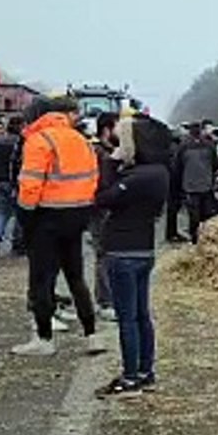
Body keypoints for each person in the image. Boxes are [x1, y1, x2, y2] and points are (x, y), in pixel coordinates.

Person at [11, 97, 104, 357]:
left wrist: (25, 216)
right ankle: (92, 335)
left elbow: (30, 184)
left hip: (46, 217)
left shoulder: (39, 140)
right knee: (76, 276)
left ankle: (44, 338)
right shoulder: (82, 140)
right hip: (77, 215)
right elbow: (93, 178)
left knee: (42, 278)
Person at [94, 115, 171, 397]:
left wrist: (111, 161)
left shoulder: (137, 177)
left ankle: (129, 376)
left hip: (122, 249)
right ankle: (145, 370)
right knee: (141, 315)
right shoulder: (159, 172)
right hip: (144, 249)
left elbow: (103, 197)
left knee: (127, 317)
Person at [87, 113, 120, 318]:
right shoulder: (100, 153)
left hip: (106, 208)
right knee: (104, 253)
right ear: (107, 129)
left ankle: (107, 298)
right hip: (100, 209)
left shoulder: (108, 151)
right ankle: (105, 301)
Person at [174, 120, 218, 244]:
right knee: (206, 214)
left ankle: (195, 239)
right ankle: (207, 238)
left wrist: (179, 186)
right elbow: (216, 164)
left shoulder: (183, 146)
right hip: (206, 185)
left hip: (190, 186)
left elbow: (177, 167)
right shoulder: (209, 145)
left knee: (193, 216)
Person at [0, 116, 23, 259]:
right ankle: (17, 244)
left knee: (2, 213)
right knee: (19, 214)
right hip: (13, 182)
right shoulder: (19, 142)